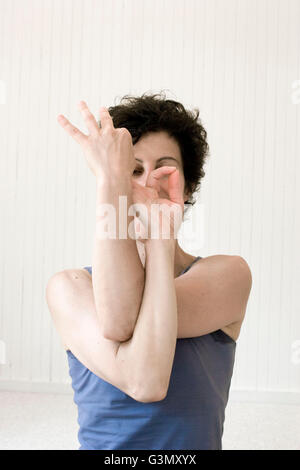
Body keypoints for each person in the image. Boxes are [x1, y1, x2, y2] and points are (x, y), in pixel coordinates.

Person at [46, 92, 252, 450]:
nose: (145, 184)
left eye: (164, 168)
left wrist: (160, 238)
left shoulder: (228, 275)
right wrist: (110, 182)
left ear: (187, 188)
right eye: (132, 170)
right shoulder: (69, 288)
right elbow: (139, 369)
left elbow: (143, 372)